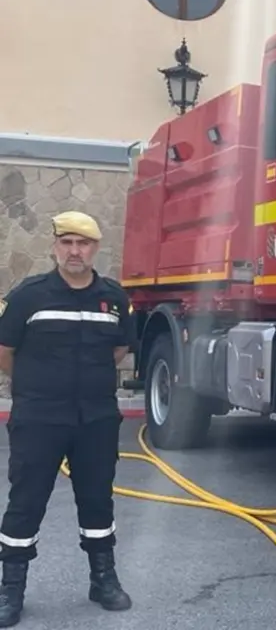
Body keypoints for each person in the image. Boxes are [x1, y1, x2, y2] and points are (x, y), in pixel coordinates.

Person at [0, 211, 134, 626]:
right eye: (67, 243)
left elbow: (119, 350)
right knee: (26, 502)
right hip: (39, 418)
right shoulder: (28, 296)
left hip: (96, 419)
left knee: (97, 498)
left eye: (84, 243)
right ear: (56, 246)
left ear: (96, 248)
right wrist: (37, 387)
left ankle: (103, 579)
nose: (75, 251)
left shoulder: (115, 299)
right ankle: (10, 589)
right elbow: (5, 351)